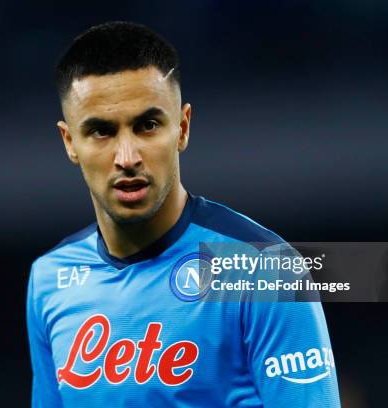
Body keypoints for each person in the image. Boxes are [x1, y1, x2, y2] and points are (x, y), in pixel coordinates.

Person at [27, 21, 340, 407]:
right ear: (69, 142)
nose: (127, 158)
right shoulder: (49, 279)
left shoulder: (266, 270)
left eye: (147, 125)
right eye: (101, 131)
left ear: (182, 127)